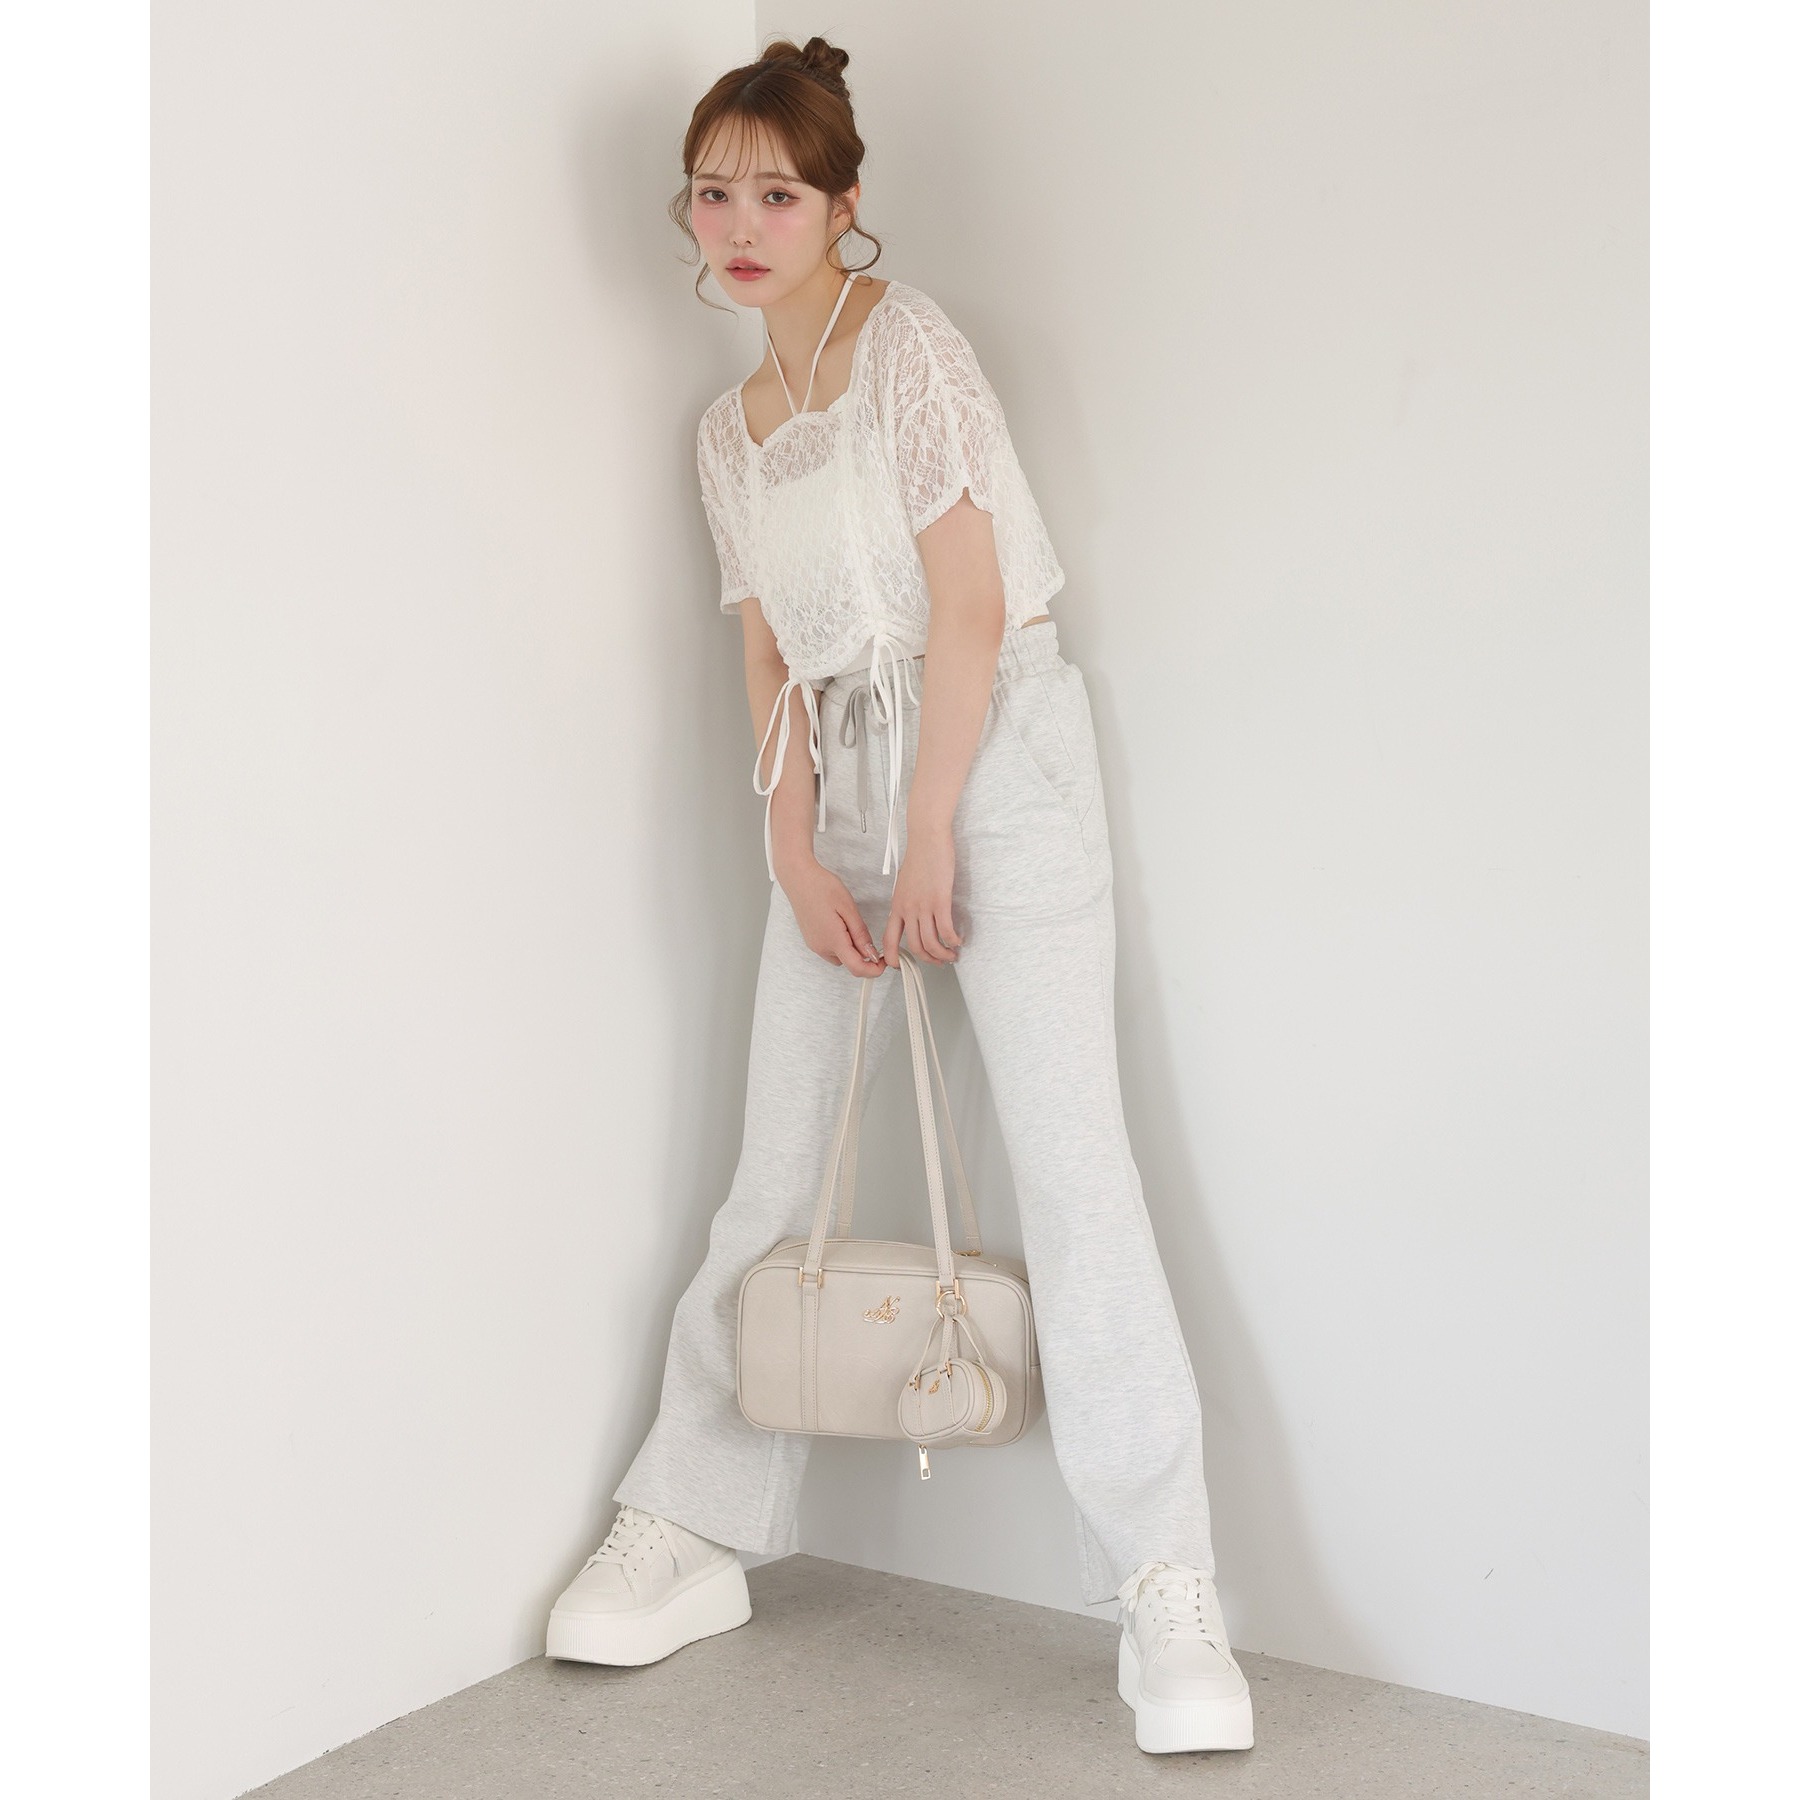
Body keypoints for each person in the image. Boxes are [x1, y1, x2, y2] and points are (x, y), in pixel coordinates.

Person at [545, 35, 1254, 1756]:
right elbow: (766, 656)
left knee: (1075, 1174)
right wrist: (795, 850)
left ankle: (1166, 1590)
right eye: (713, 193)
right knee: (768, 1175)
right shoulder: (726, 434)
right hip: (838, 773)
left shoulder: (908, 344)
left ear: (843, 205)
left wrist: (932, 825)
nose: (740, 224)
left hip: (992, 751)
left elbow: (969, 607)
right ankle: (689, 1524)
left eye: (777, 194)